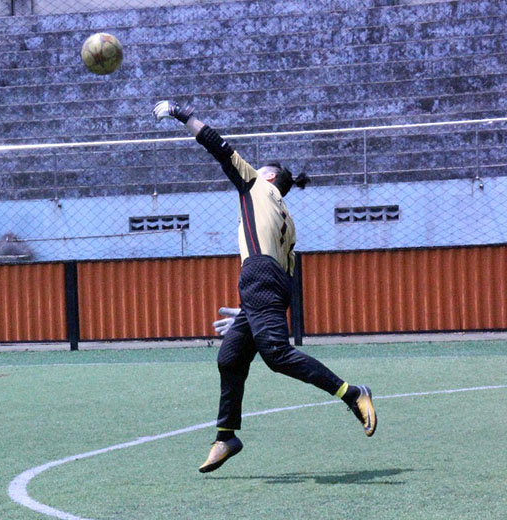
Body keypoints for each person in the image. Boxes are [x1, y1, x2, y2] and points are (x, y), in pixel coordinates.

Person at [153, 100, 376, 473]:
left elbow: (215, 144)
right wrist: (252, 311)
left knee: (276, 355)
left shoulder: (256, 184)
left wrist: (181, 113)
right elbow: (284, 273)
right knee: (230, 358)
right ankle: (226, 436)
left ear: (269, 176)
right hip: (269, 284)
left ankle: (352, 394)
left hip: (259, 278)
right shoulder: (286, 216)